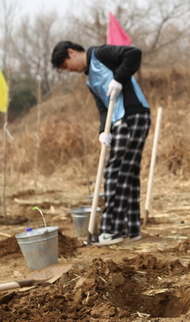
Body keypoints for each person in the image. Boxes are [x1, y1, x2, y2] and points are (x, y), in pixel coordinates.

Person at [50, 41, 151, 245]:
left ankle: (112, 230)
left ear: (71, 53)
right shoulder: (90, 81)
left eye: (66, 66)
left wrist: (119, 78)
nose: (70, 71)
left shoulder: (101, 54)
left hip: (133, 115)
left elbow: (134, 53)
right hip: (119, 121)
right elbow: (104, 108)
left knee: (115, 171)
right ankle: (131, 229)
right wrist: (103, 132)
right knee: (128, 174)